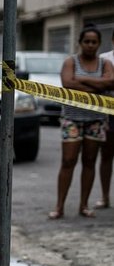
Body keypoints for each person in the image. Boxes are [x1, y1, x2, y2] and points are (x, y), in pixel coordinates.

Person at [49, 24, 114, 219]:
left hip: (96, 119)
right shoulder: (70, 61)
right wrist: (97, 86)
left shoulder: (104, 64)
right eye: (87, 41)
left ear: (99, 44)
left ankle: (84, 205)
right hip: (72, 119)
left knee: (89, 161)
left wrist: (81, 80)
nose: (90, 45)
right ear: (80, 43)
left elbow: (111, 82)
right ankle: (59, 206)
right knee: (68, 161)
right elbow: (68, 83)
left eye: (94, 42)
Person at [95, 30, 114, 209]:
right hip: (107, 115)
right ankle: (105, 196)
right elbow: (104, 83)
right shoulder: (104, 59)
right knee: (106, 156)